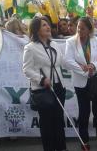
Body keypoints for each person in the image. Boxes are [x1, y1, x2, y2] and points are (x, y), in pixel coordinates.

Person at [23, 16, 67, 151]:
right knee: (47, 123)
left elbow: (60, 62)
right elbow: (26, 69)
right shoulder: (30, 48)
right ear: (36, 30)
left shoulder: (54, 44)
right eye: (43, 25)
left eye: (47, 24)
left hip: (59, 86)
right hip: (43, 90)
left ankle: (61, 148)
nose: (48, 27)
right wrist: (41, 79)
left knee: (59, 120)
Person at [65, 17, 97, 150]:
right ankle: (84, 141)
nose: (79, 30)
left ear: (89, 29)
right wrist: (84, 69)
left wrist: (94, 65)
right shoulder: (71, 41)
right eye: (78, 27)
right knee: (84, 112)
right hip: (81, 82)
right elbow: (68, 61)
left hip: (96, 82)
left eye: (82, 28)